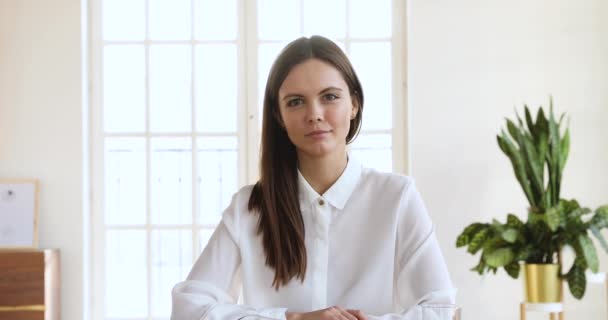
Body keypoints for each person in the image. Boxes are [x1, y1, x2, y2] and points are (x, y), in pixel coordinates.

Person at [171, 35, 456, 320]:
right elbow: (189, 310)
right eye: (296, 102)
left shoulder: (396, 197)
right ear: (279, 116)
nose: (314, 114)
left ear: (354, 104)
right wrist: (291, 319)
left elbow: (441, 310)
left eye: (329, 97)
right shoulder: (248, 207)